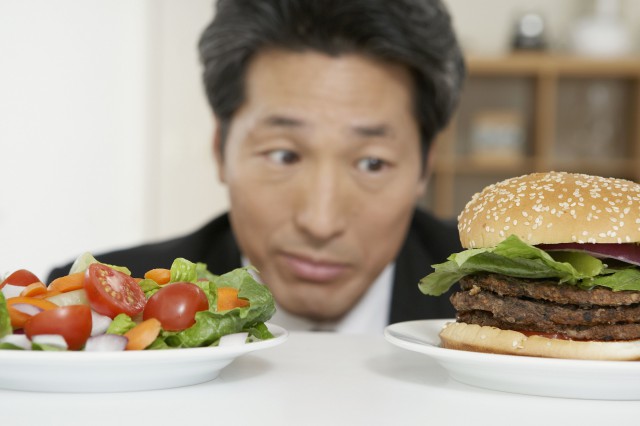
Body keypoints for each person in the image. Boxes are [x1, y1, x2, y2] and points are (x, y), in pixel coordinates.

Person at [49, 0, 465, 333]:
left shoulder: (515, 304)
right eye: (284, 155)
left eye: (372, 163)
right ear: (220, 150)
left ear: (424, 169)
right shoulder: (84, 309)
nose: (320, 223)